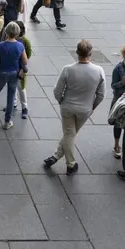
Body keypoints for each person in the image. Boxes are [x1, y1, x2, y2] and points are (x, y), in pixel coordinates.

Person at [44, 40, 106, 174]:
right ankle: (62, 160)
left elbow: (57, 91)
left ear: (77, 53)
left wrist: (62, 101)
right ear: (91, 53)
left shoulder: (68, 69)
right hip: (85, 109)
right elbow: (101, 95)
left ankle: (64, 161)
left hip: (67, 107)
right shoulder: (99, 71)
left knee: (69, 134)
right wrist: (92, 107)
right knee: (70, 134)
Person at [15, 20, 32, 119]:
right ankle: (13, 103)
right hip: (13, 67)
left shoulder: (25, 41)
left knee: (21, 89)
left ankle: (24, 107)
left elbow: (28, 54)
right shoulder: (12, 39)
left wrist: (22, 67)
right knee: (12, 87)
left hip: (20, 69)